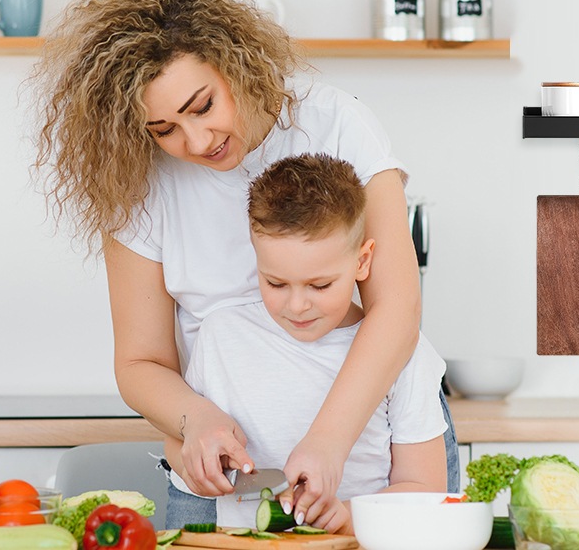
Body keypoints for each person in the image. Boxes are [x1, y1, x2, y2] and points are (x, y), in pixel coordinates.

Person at [29, 0, 456, 528]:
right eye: (164, 129)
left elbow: (396, 310)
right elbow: (139, 362)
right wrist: (195, 420)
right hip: (224, 479)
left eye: (202, 106)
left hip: (366, 461)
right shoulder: (137, 183)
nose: (197, 142)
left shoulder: (335, 122)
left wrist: (327, 442)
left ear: (234, 63)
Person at [187, 154, 447, 532]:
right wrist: (196, 462)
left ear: (362, 261)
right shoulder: (221, 337)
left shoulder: (404, 354)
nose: (296, 305)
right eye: (275, 282)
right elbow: (180, 444)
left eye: (319, 285)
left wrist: (349, 517)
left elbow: (426, 491)